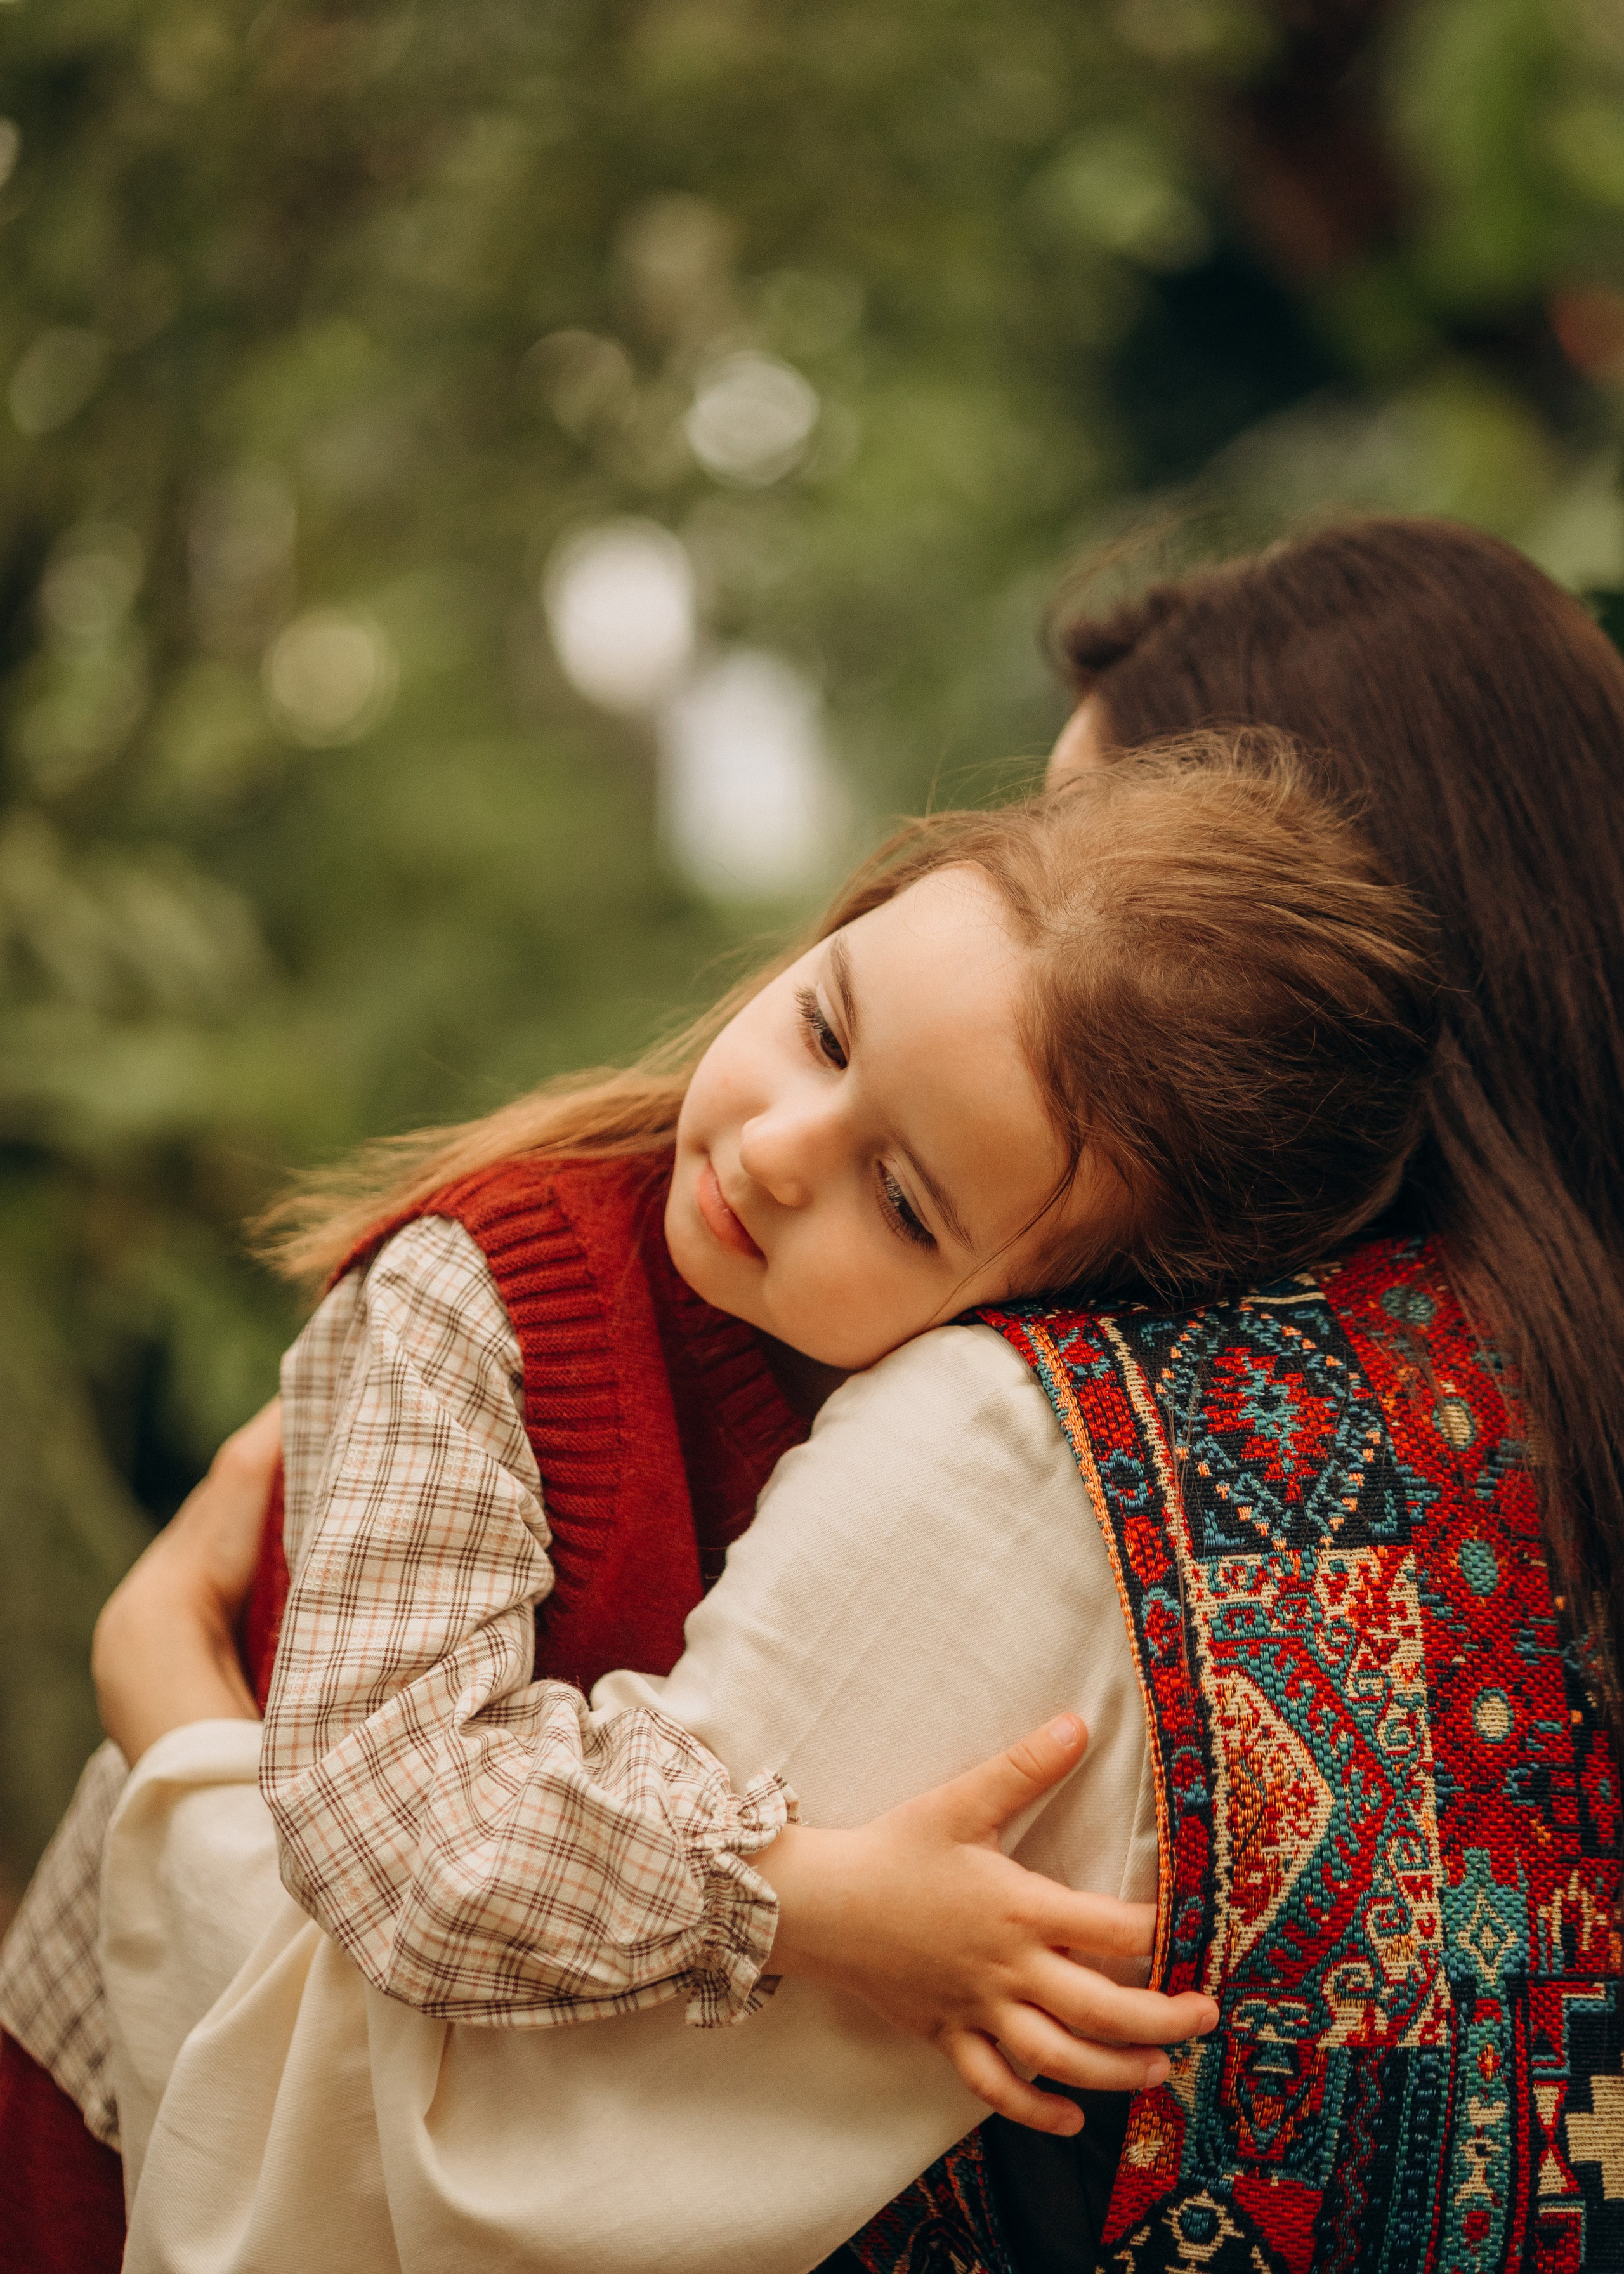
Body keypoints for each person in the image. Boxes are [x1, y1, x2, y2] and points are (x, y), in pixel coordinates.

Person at [12, 515, 1624, 2274]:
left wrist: (176, 1712)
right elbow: (393, 1831)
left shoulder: (1008, 1411)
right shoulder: (495, 1297)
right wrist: (806, 1900)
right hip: (114, 2094)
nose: (782, 1153)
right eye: (827, 1029)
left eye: (909, 1199)